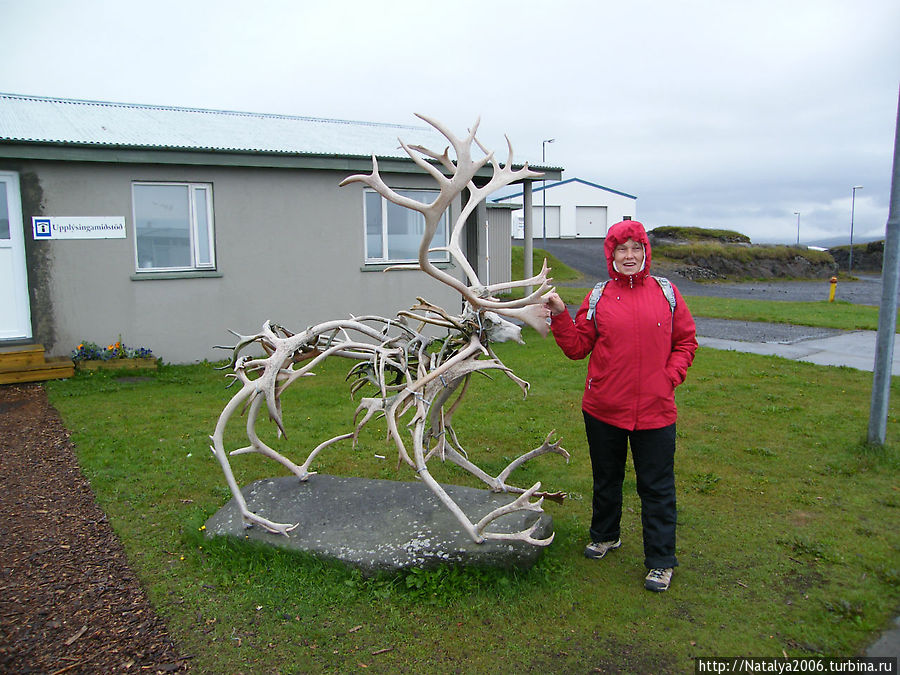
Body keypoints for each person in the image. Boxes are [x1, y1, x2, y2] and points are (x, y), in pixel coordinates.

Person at [542, 220, 697, 592]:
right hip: (604, 408)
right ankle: (605, 535)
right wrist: (562, 313)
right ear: (610, 255)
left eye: (635, 248)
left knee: (657, 487)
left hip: (656, 411)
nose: (629, 256)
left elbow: (686, 342)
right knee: (606, 478)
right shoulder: (598, 297)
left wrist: (669, 377)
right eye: (621, 250)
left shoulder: (667, 292)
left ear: (645, 252)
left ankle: (660, 561)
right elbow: (578, 348)